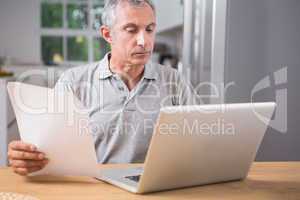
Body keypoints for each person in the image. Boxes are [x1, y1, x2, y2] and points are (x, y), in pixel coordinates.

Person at [8, 0, 197, 176]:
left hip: (155, 188)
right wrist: (28, 157)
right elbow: (46, 149)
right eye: (131, 30)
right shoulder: (73, 82)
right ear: (108, 34)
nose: (144, 41)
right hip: (94, 188)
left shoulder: (175, 81)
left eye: (149, 29)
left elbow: (197, 143)